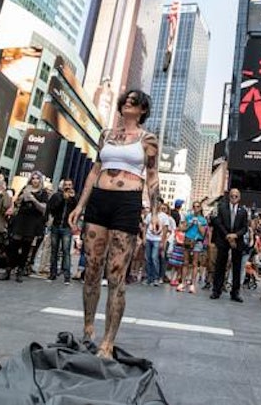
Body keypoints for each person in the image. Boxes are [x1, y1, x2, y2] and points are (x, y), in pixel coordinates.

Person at [68, 89, 160, 359]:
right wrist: (79, 205)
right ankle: (88, 329)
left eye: (135, 100)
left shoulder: (148, 138)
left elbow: (152, 176)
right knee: (92, 269)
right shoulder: (106, 135)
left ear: (143, 108)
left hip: (127, 203)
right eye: (126, 99)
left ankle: (108, 341)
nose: (128, 101)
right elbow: (95, 171)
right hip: (98, 200)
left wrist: (154, 212)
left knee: (116, 274)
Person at [0, 171, 48, 282]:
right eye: (33, 178)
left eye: (37, 178)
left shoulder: (43, 193)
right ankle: (8, 269)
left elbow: (44, 209)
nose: (35, 180)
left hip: (32, 221)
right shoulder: (26, 188)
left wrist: (33, 199)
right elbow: (16, 202)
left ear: (40, 180)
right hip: (21, 218)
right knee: (13, 245)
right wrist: (21, 197)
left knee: (26, 247)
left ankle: (20, 270)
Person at [210, 188, 248, 303]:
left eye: (236, 196)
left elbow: (245, 227)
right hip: (223, 239)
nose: (234, 198)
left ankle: (235, 293)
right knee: (220, 265)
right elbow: (218, 223)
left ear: (239, 198)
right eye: (232, 196)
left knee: (237, 267)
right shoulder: (222, 208)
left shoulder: (243, 211)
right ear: (229, 197)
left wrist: (235, 235)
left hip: (237, 241)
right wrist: (227, 235)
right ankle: (216, 290)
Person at [47, 179, 78, 284]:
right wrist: (62, 199)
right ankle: (52, 273)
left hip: (66, 227)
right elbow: (52, 209)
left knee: (66, 251)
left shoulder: (74, 197)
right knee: (54, 251)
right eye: (66, 185)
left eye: (70, 185)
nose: (68, 187)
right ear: (62, 186)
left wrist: (72, 199)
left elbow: (77, 210)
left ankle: (67, 276)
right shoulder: (57, 196)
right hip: (56, 225)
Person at [176, 201, 207, 294]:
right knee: (185, 262)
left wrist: (198, 224)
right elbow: (183, 229)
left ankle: (193, 284)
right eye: (194, 206)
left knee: (194, 263)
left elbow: (203, 233)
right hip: (188, 239)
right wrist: (190, 224)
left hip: (197, 241)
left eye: (197, 206)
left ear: (200, 208)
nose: (196, 208)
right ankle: (183, 282)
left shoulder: (203, 220)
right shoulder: (188, 217)